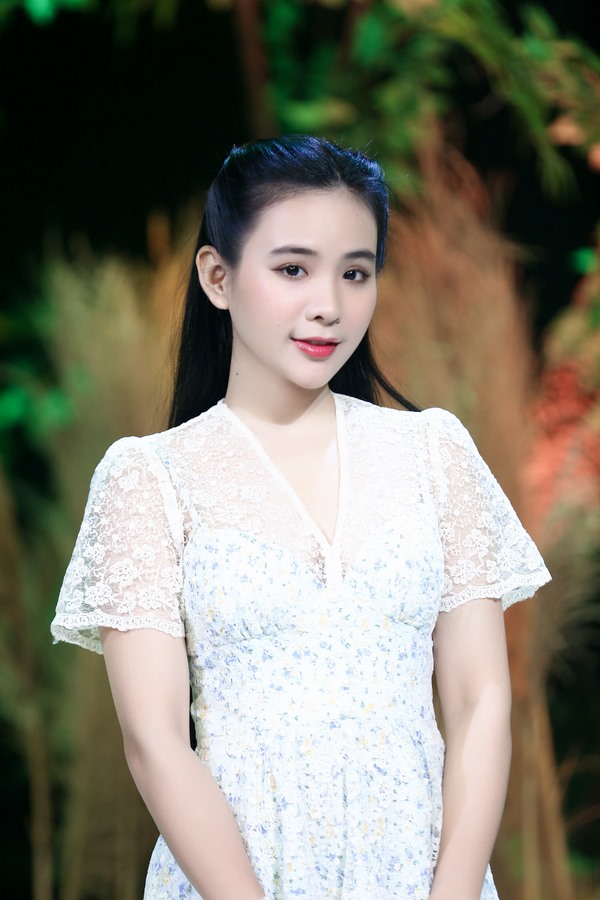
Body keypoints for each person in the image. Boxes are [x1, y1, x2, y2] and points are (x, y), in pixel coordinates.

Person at [51, 135, 551, 900]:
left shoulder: (434, 453)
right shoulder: (149, 478)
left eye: (356, 272)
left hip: (419, 871)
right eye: (293, 269)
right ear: (217, 277)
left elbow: (479, 700)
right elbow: (154, 742)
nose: (329, 305)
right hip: (239, 875)